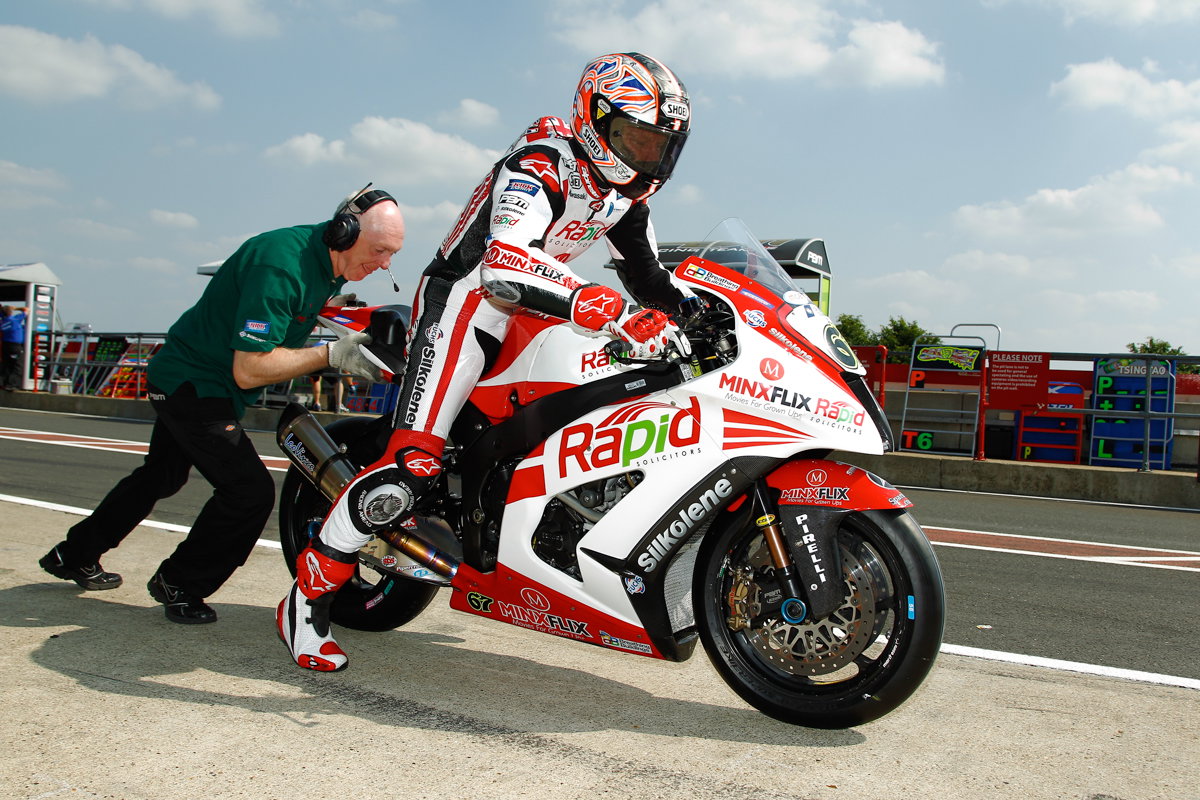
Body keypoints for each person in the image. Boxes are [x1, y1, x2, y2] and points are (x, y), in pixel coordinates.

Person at [279, 52, 702, 671]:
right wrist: (597, 302)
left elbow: (647, 274)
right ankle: (305, 603)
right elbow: (504, 259)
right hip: (466, 305)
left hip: (537, 308)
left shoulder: (626, 194)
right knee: (413, 466)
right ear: (595, 120)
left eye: (659, 144)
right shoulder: (539, 166)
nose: (647, 157)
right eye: (635, 139)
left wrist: (707, 313)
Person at [40, 187, 405, 624]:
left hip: (201, 380)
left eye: (392, 254)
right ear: (343, 233)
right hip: (193, 385)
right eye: (379, 250)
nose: (385, 264)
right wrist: (333, 355)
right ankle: (181, 582)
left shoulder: (327, 264)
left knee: (162, 475)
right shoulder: (280, 263)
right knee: (248, 492)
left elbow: (281, 311)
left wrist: (329, 310)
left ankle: (72, 554)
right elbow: (249, 370)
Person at [1, 304, 27, 391]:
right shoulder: (15, 319)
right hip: (15, 346)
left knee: (7, 365)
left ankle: (5, 384)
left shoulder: (3, 321)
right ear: (11, 312)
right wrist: (16, 307)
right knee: (17, 365)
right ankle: (12, 385)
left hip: (5, 345)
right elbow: (27, 310)